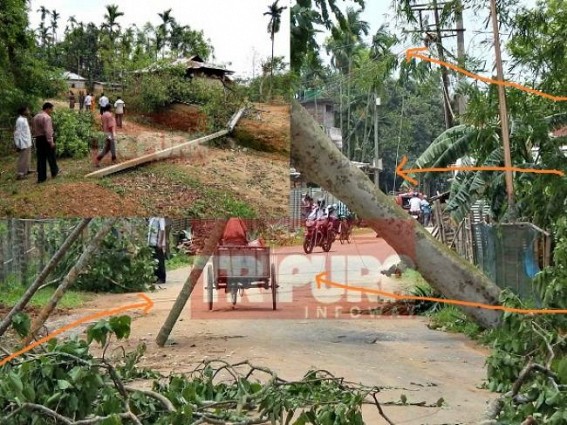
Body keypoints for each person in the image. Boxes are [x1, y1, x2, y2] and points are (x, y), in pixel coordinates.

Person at [32, 102, 59, 183]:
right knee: (51, 157)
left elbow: (33, 129)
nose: (52, 111)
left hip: (38, 139)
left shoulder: (36, 117)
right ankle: (54, 172)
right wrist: (51, 142)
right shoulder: (47, 117)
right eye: (51, 109)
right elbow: (48, 131)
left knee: (41, 158)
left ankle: (41, 177)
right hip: (46, 139)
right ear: (47, 108)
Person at [14, 106, 33, 180]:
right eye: (27, 110)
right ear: (23, 111)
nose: (28, 111)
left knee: (28, 157)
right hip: (23, 143)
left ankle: (27, 170)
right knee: (23, 158)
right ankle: (20, 174)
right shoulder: (20, 120)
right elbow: (17, 133)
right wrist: (18, 144)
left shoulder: (24, 119)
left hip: (27, 141)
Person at [148, 217, 166, 284]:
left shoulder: (160, 218)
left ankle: (161, 278)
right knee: (153, 261)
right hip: (151, 243)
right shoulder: (151, 218)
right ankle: (155, 277)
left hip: (157, 243)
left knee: (159, 261)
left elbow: (162, 230)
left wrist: (160, 243)